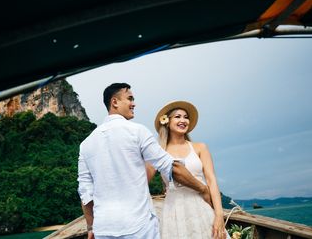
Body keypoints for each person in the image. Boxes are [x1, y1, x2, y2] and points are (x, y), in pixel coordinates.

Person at [77, 83, 210, 239]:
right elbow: (173, 168)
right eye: (130, 98)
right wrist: (203, 189)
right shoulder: (137, 131)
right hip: (138, 226)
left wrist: (91, 226)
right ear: (114, 102)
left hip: (104, 229)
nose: (134, 103)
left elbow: (85, 192)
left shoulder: (86, 144)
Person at [154, 100, 230, 239]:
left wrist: (219, 215)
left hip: (202, 207)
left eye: (186, 117)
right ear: (167, 121)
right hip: (173, 212)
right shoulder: (159, 151)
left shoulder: (200, 147)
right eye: (178, 116)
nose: (183, 120)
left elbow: (212, 181)